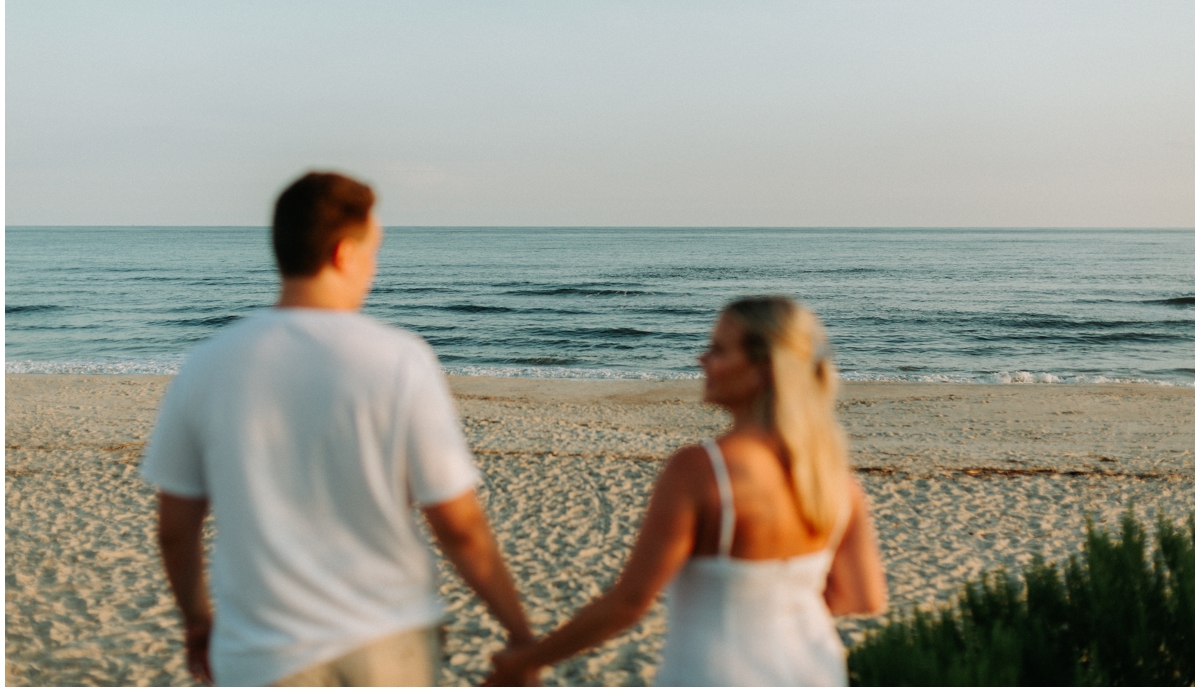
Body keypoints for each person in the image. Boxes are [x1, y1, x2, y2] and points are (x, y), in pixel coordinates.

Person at [141, 171, 534, 686]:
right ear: (344, 254)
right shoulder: (399, 360)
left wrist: (198, 621)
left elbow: (175, 530)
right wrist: (521, 635)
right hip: (384, 640)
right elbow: (458, 525)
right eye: (374, 250)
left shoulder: (207, 365)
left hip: (259, 655)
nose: (374, 266)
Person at [489, 296, 888, 686]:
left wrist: (526, 662)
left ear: (764, 370)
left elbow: (629, 603)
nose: (702, 360)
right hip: (816, 673)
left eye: (718, 349)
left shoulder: (703, 469)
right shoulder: (832, 478)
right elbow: (864, 597)